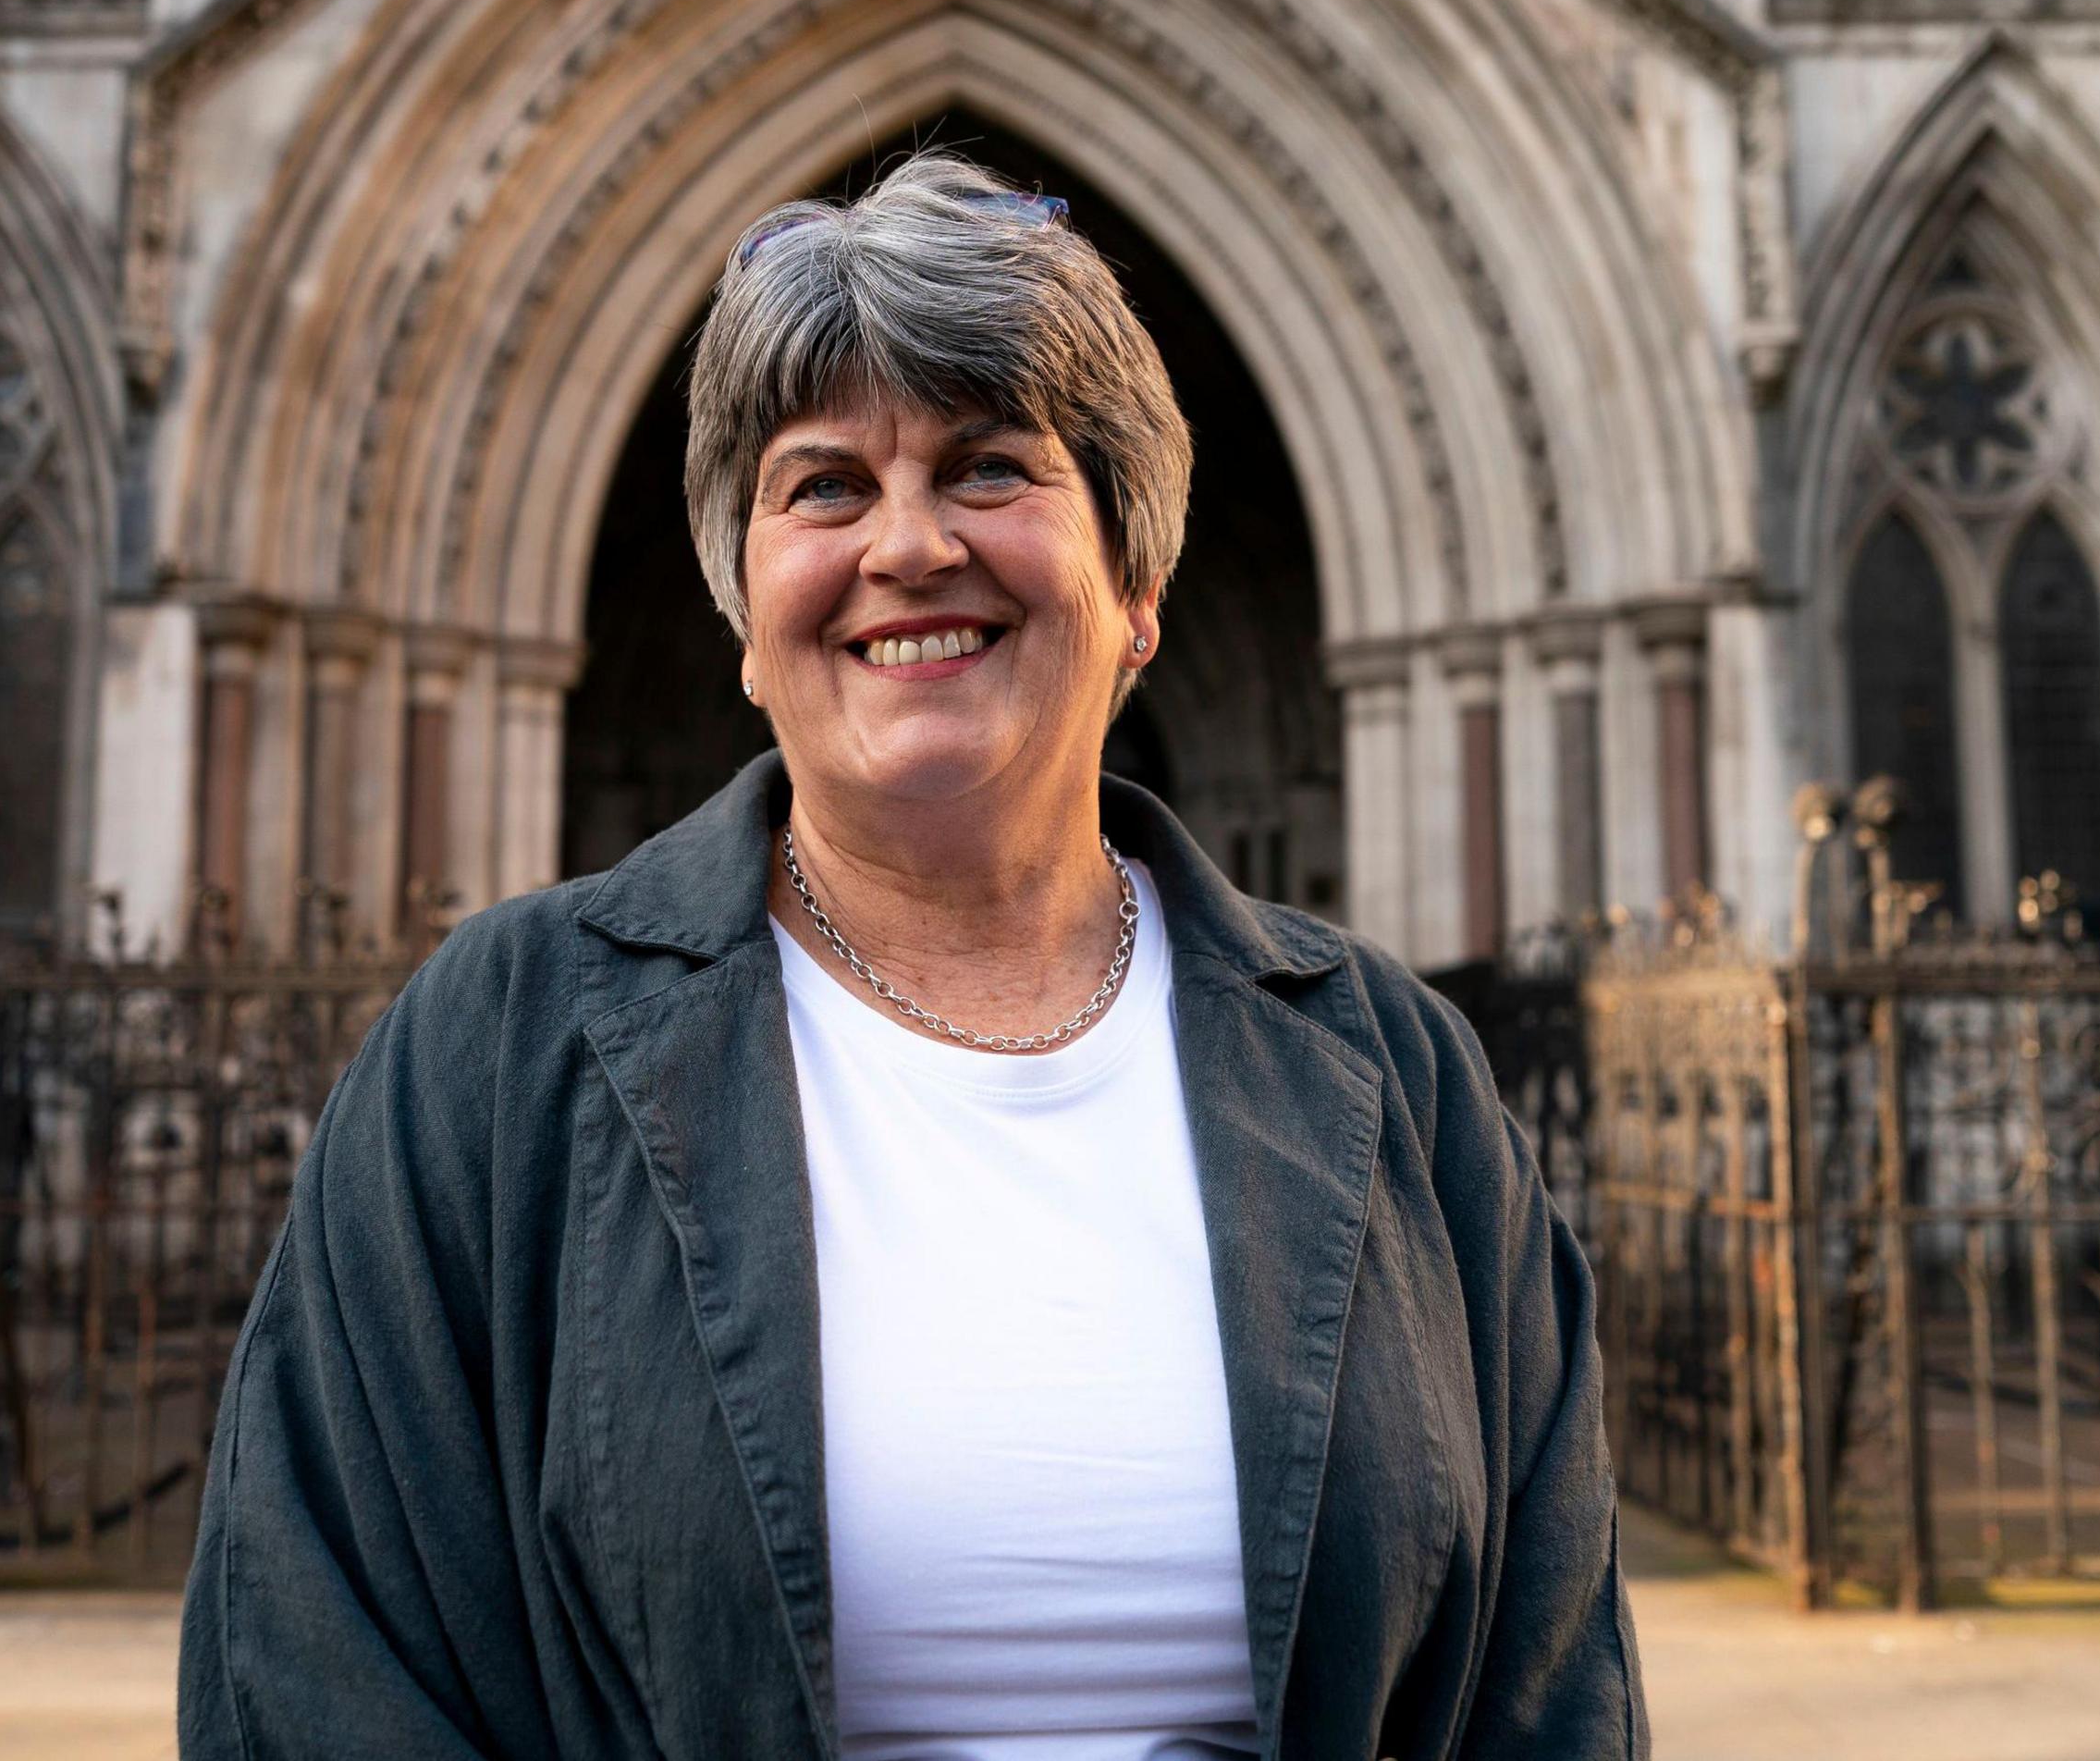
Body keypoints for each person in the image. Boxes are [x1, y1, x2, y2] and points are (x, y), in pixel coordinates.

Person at [178, 154, 1642, 1759]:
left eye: (992, 468)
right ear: (745, 610)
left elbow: (1548, 1685)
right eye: (822, 486)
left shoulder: (1397, 1078)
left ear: (1136, 586)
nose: (908, 545)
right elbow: (312, 1665)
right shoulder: (500, 1054)